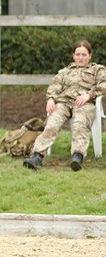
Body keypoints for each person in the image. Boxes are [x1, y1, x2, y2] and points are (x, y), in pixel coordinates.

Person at [21, 40, 106, 171]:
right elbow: (54, 86)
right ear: (73, 55)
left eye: (84, 54)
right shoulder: (64, 72)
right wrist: (50, 99)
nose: (81, 58)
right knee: (51, 124)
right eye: (78, 54)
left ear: (90, 55)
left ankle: (77, 157)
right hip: (64, 103)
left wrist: (89, 95)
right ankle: (37, 156)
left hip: (84, 104)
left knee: (80, 124)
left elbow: (104, 84)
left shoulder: (97, 69)